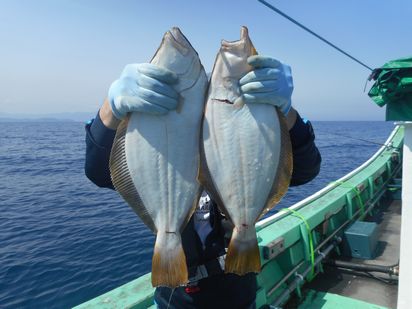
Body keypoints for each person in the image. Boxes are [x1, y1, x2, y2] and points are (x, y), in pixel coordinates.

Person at [85, 55, 321, 309]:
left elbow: (305, 170)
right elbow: (99, 172)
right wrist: (111, 107)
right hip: (177, 298)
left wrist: (286, 112)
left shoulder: (235, 144)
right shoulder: (163, 148)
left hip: (240, 293)